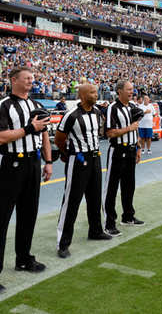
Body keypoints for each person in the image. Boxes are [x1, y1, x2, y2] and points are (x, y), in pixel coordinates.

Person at [0, 67, 53, 295]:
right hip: (11, 163)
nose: (31, 81)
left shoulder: (35, 106)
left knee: (28, 214)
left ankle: (24, 258)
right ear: (14, 80)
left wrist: (48, 161)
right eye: (27, 78)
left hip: (33, 163)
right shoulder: (3, 105)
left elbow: (44, 135)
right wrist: (28, 128)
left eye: (32, 78)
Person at [54, 84, 112, 259]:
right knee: (72, 201)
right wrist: (68, 154)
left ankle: (95, 230)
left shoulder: (97, 113)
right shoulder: (71, 115)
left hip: (95, 158)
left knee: (94, 198)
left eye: (95, 92)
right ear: (83, 95)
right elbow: (59, 139)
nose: (96, 95)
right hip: (78, 159)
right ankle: (63, 243)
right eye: (92, 92)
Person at [103, 80, 144, 237]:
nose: (131, 92)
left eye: (132, 89)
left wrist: (138, 148)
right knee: (111, 188)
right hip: (118, 151)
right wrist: (129, 128)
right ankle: (109, 223)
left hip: (131, 150)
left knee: (129, 186)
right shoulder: (112, 109)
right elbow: (110, 133)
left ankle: (128, 216)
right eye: (128, 89)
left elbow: (136, 130)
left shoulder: (133, 107)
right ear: (119, 91)